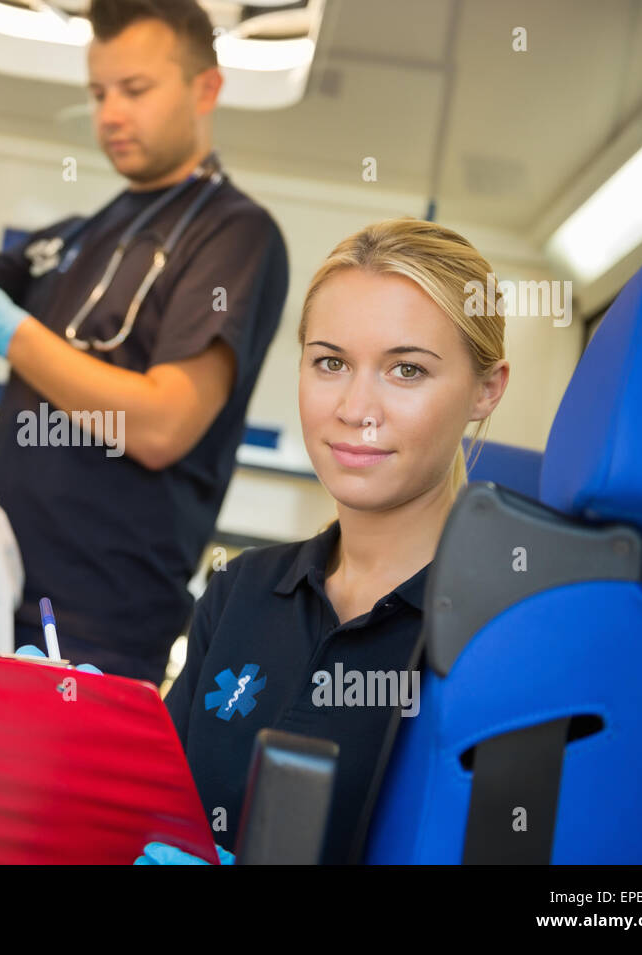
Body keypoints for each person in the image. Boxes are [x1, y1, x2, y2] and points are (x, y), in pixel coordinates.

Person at [0, 0, 290, 682]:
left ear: (207, 88)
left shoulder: (234, 234)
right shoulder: (76, 234)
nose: (110, 113)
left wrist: (11, 330)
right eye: (98, 92)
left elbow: (164, 424)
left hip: (99, 624)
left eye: (135, 90)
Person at [142, 218, 510, 864]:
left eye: (406, 370)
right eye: (331, 362)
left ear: (487, 389)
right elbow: (152, 809)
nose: (355, 407)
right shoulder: (240, 591)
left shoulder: (508, 626)